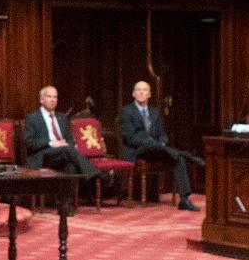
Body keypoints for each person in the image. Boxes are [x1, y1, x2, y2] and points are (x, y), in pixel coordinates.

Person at [118, 80, 201, 211]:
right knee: (157, 147)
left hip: (157, 150)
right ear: (133, 93)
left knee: (177, 159)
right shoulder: (127, 111)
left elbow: (162, 134)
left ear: (149, 94)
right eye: (138, 90)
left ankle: (184, 199)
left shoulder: (155, 112)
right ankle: (188, 156)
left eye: (144, 90)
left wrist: (161, 141)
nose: (141, 92)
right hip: (136, 150)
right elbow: (130, 137)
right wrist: (152, 142)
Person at [23, 85, 98, 181]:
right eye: (49, 97)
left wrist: (66, 144)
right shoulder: (32, 118)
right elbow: (29, 142)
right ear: (41, 100)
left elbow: (69, 139)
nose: (53, 100)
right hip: (43, 155)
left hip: (62, 154)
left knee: (71, 166)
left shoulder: (62, 117)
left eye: (55, 97)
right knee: (67, 150)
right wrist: (51, 143)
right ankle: (95, 174)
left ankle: (71, 195)